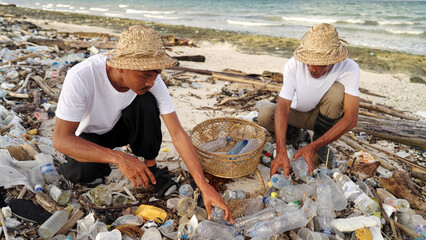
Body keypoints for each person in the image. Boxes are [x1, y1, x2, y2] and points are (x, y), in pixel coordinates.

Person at [52, 25, 233, 223]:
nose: (152, 82)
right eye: (146, 75)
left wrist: (205, 187)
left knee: (146, 101)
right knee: (82, 173)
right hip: (87, 135)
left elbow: (178, 133)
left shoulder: (152, 82)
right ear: (120, 65)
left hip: (119, 126)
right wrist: (119, 158)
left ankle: (151, 168)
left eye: (156, 74)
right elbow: (61, 139)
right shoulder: (81, 76)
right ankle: (101, 164)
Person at [258, 23, 360, 178]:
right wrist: (281, 151)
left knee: (337, 92)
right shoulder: (293, 65)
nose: (312, 68)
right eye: (309, 62)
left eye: (319, 64)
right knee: (264, 114)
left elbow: (351, 119)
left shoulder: (349, 68)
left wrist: (313, 147)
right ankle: (293, 135)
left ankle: (320, 143)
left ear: (334, 60)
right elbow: (283, 107)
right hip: (298, 114)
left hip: (323, 117)